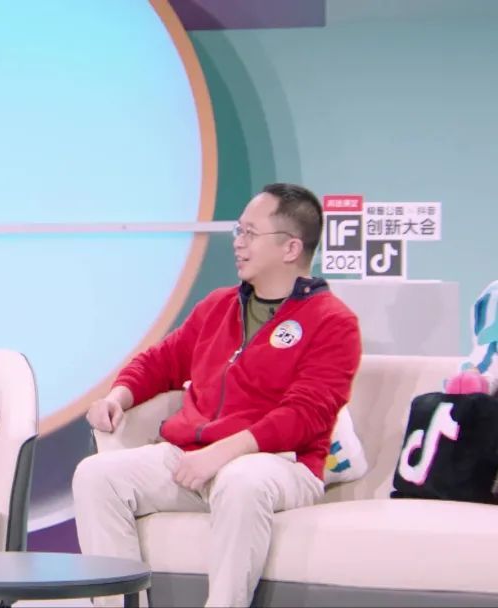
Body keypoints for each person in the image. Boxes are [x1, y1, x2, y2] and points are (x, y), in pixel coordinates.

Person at [72, 183, 362, 607]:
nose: (238, 243)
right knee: (96, 476)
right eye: (238, 231)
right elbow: (160, 362)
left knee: (241, 480)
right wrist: (118, 397)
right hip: (193, 456)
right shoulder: (218, 306)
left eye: (250, 233)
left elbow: (306, 416)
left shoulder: (333, 322)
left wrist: (224, 452)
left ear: (290, 248)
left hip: (282, 464)